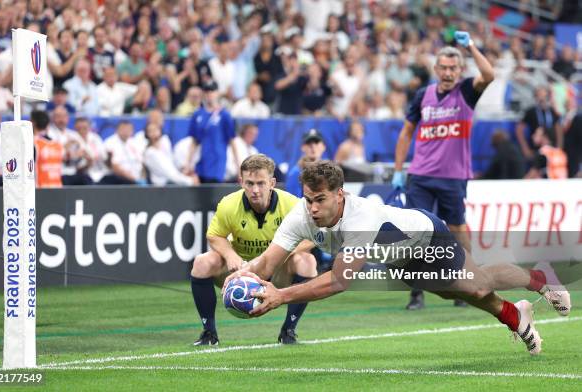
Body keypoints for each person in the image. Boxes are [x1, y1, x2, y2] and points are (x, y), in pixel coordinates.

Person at [226, 161, 571, 356]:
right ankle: (517, 314)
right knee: (456, 292)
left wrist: (281, 296)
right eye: (308, 199)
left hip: (424, 236)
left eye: (320, 199)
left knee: (476, 285)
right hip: (400, 258)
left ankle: (541, 279)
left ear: (339, 194)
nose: (312, 208)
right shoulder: (301, 215)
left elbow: (339, 279)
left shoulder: (359, 218)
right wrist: (246, 273)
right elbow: (269, 263)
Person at [391, 32, 495, 310]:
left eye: (453, 68)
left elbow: (489, 73)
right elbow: (406, 133)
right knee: (415, 234)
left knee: (458, 231)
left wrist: (471, 45)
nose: (448, 73)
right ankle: (416, 292)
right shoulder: (422, 96)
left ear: (460, 71)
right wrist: (399, 170)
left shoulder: (467, 92)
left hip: (453, 176)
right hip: (421, 176)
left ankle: (469, 284)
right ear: (436, 69)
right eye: (444, 68)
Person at [191, 154, 317, 346]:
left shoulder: (292, 205)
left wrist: (281, 254)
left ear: (272, 182)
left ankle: (288, 331)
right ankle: (209, 333)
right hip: (238, 269)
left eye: (261, 183)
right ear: (241, 182)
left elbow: (313, 238)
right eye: (249, 183)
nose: (255, 190)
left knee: (308, 262)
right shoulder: (229, 204)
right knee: (202, 262)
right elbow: (214, 236)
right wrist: (230, 255)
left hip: (276, 270)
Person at [184, 81, 239, 183]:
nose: (209, 94)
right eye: (207, 91)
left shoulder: (224, 115)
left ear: (217, 93)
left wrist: (238, 166)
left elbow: (232, 141)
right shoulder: (198, 114)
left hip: (217, 164)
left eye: (212, 91)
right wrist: (188, 163)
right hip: (201, 163)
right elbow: (194, 142)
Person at [285, 129, 326, 197]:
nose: (313, 146)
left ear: (324, 147)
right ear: (302, 147)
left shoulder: (329, 171)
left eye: (316, 142)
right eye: (309, 143)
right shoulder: (296, 173)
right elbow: (293, 201)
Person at [32, 110, 63, 188]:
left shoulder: (33, 143)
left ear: (33, 122)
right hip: (58, 188)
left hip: (40, 190)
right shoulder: (57, 144)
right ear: (48, 124)